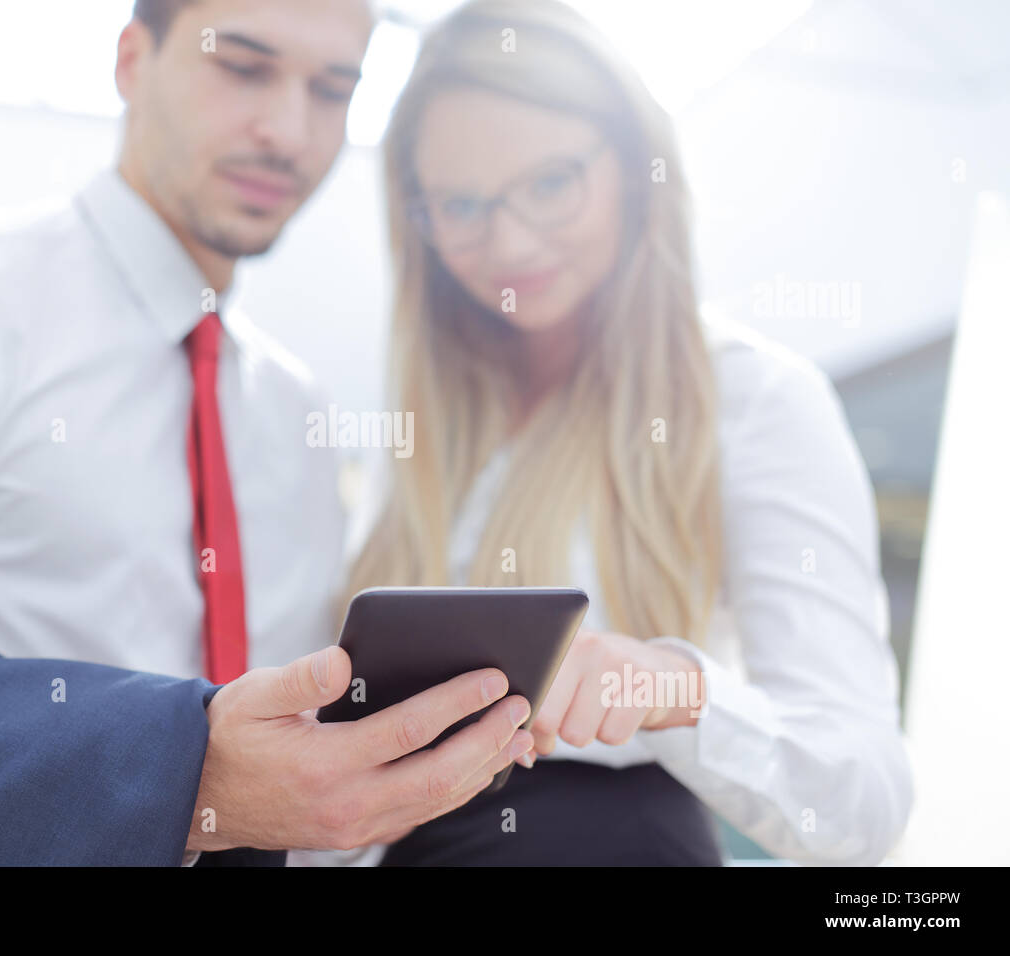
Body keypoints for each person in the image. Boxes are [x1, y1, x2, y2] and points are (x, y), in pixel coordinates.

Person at [0, 0, 536, 864]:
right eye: (244, 66)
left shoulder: (298, 417)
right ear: (132, 61)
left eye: (332, 90)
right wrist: (182, 777)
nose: (289, 131)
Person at [333, 0, 913, 865]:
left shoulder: (752, 400)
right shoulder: (424, 425)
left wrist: (669, 687)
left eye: (552, 184)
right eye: (461, 204)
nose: (510, 241)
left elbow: (864, 803)